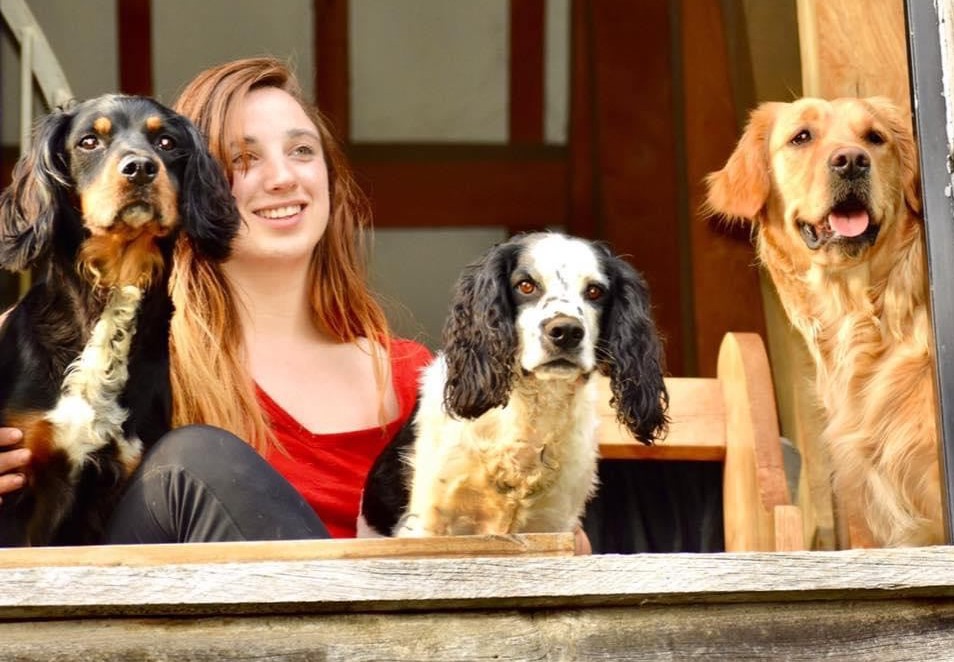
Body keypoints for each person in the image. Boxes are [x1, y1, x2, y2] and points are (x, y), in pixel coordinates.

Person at [0, 57, 432, 543]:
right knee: (197, 458)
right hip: (140, 587)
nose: (282, 177)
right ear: (198, 183)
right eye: (244, 158)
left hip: (374, 594)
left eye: (302, 150)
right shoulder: (104, 355)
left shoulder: (418, 377)